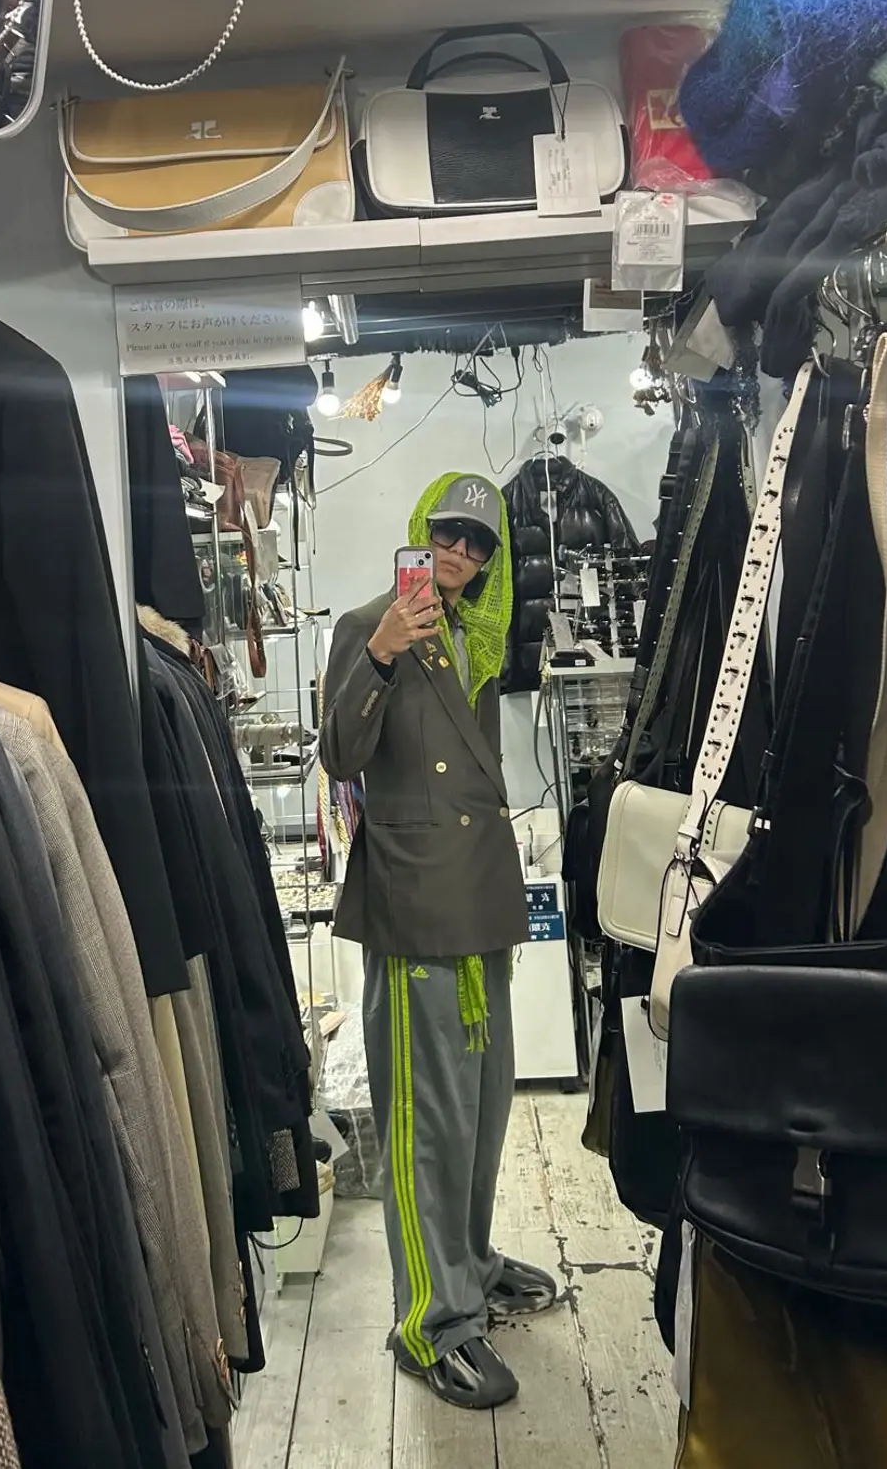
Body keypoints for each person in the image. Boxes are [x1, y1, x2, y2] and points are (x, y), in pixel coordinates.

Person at [320, 471, 557, 1411]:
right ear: (422, 532)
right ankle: (431, 1321)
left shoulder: (476, 635)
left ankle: (468, 1262)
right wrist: (381, 653)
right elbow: (340, 754)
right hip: (418, 903)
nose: (460, 552)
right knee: (426, 1121)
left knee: (482, 1111)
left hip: (479, 899)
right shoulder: (368, 625)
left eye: (479, 542)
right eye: (449, 534)